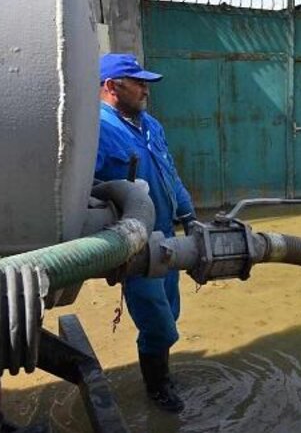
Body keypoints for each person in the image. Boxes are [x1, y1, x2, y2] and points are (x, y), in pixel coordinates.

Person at [94, 53, 195, 413]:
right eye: (137, 83)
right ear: (111, 87)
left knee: (171, 308)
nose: (145, 90)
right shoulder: (96, 129)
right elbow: (89, 192)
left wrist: (190, 216)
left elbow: (170, 173)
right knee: (156, 320)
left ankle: (161, 372)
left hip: (167, 236)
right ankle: (156, 388)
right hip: (136, 243)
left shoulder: (150, 124)